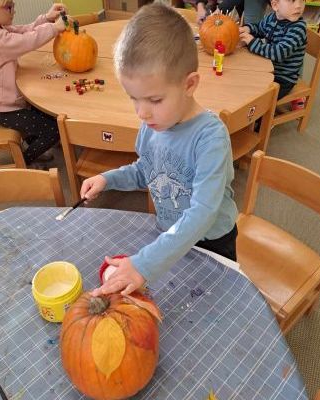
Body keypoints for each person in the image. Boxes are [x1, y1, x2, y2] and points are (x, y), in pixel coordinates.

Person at [81, 3, 238, 297]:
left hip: (211, 243)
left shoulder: (210, 138)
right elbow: (146, 170)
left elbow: (202, 214)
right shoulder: (152, 123)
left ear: (189, 84)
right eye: (133, 98)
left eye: (154, 100)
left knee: (212, 303)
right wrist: (107, 179)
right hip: (168, 235)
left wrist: (144, 264)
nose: (142, 112)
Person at [0, 1, 68, 167]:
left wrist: (46, 18)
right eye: (9, 7)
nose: (14, 10)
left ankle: (31, 142)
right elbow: (25, 41)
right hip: (5, 109)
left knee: (46, 113)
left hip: (6, 102)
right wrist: (54, 28)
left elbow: (23, 31)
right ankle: (22, 162)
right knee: (54, 130)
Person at [239, 0, 306, 100]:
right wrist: (249, 29)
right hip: (268, 69)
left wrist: (253, 42)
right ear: (275, 5)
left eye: (302, 1)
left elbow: (278, 53)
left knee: (256, 99)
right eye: (292, 1)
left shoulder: (298, 28)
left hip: (283, 79)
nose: (298, 6)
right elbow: (259, 29)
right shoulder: (271, 18)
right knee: (244, 80)